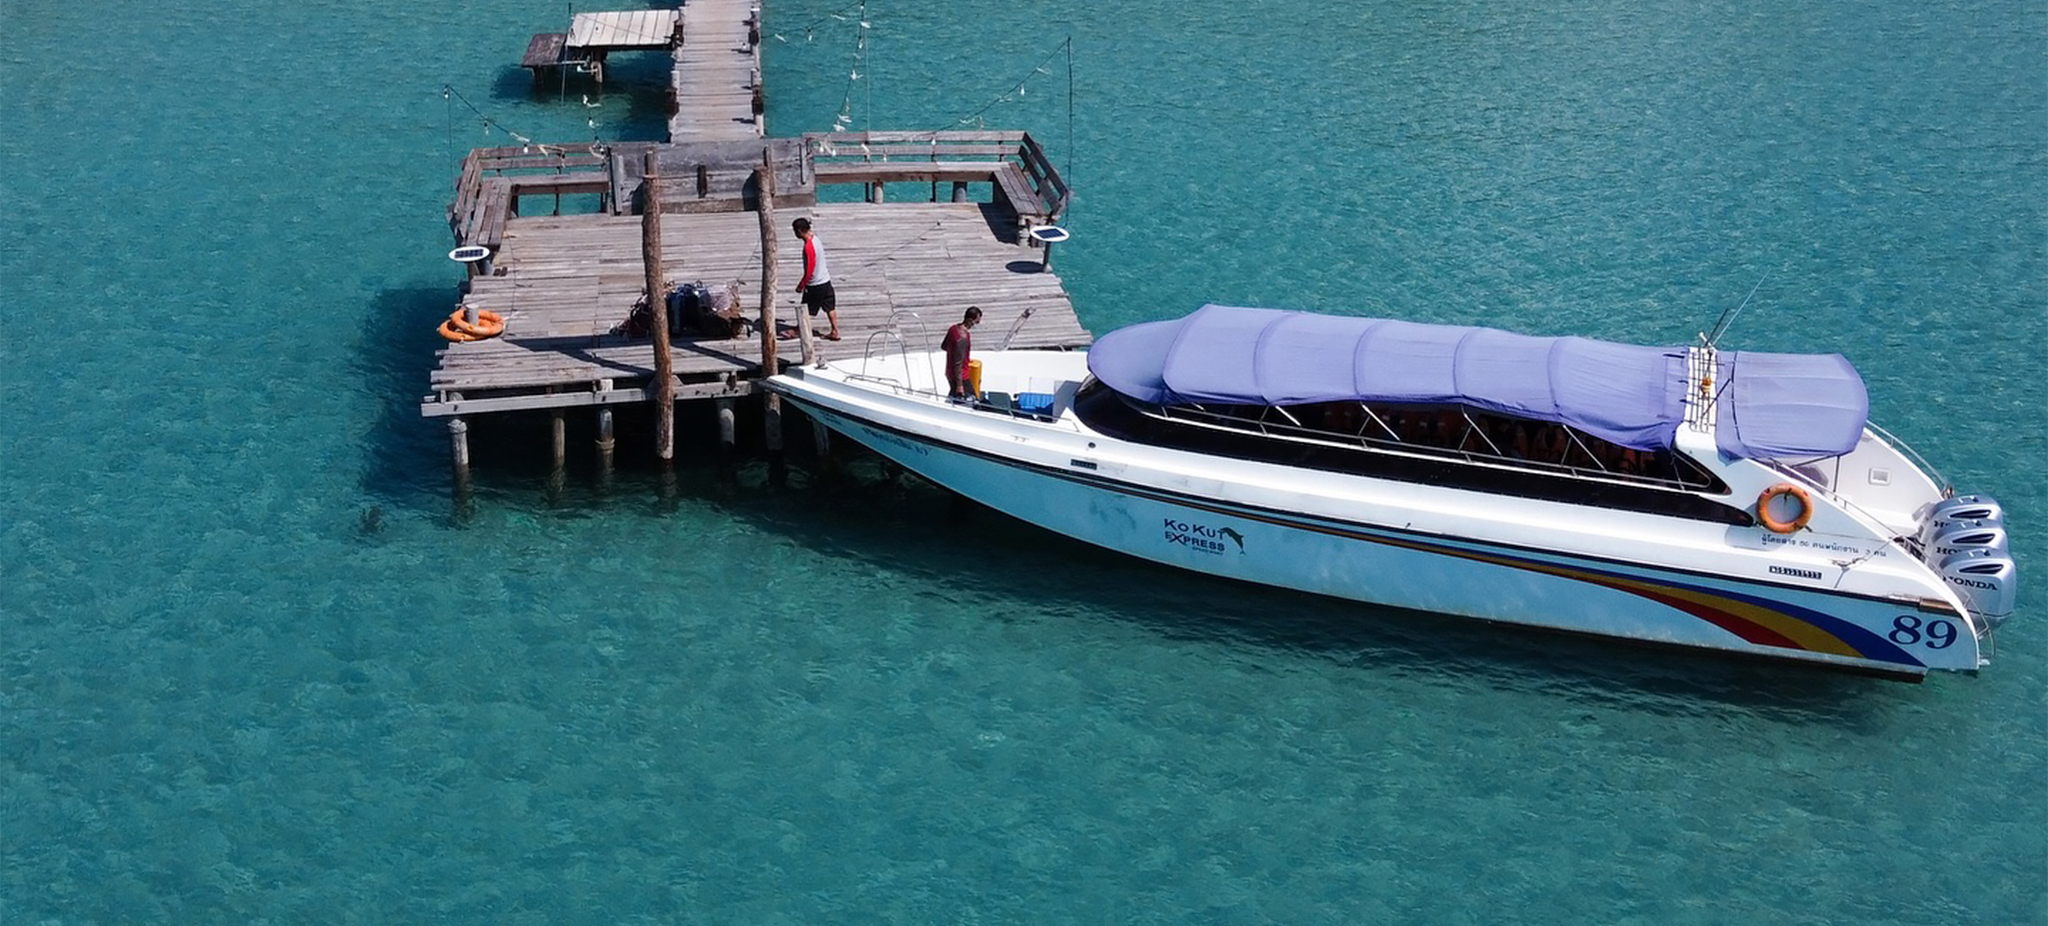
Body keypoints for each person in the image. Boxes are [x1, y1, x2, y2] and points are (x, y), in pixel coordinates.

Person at [791, 217, 842, 340]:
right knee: (830, 307)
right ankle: (835, 331)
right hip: (826, 281)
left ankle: (800, 330)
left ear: (799, 231)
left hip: (815, 285)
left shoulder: (808, 247)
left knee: (806, 310)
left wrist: (801, 285)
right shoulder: (816, 239)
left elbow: (810, 269)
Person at [942, 306, 983, 400]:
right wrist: (960, 385)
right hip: (961, 376)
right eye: (976, 321)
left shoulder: (953, 329)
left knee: (954, 396)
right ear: (969, 320)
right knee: (973, 400)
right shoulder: (963, 338)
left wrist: (955, 352)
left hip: (950, 372)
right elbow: (958, 364)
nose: (977, 324)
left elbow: (944, 346)